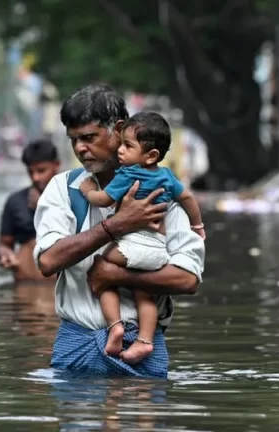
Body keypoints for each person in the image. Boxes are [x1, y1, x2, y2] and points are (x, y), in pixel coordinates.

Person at [33, 84, 205, 378]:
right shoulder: (64, 188)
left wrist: (117, 275)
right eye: (73, 140)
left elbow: (188, 278)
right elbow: (48, 261)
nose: (80, 149)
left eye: (89, 137)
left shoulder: (163, 191)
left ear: (119, 129)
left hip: (143, 349)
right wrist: (116, 226)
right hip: (76, 348)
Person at [78, 111, 206, 364]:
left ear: (151, 155)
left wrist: (88, 190)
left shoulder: (127, 175)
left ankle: (115, 326)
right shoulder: (168, 177)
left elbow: (104, 200)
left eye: (128, 146)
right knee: (144, 290)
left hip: (132, 245)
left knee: (101, 271)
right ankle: (145, 341)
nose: (121, 151)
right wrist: (198, 225)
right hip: (158, 250)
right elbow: (189, 198)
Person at [0, 139, 60, 281]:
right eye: (30, 172)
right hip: (26, 283)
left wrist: (45, 207)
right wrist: (5, 254)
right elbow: (4, 244)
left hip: (61, 286)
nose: (35, 177)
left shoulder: (74, 197)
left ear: (56, 165)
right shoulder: (15, 202)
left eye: (41, 171)